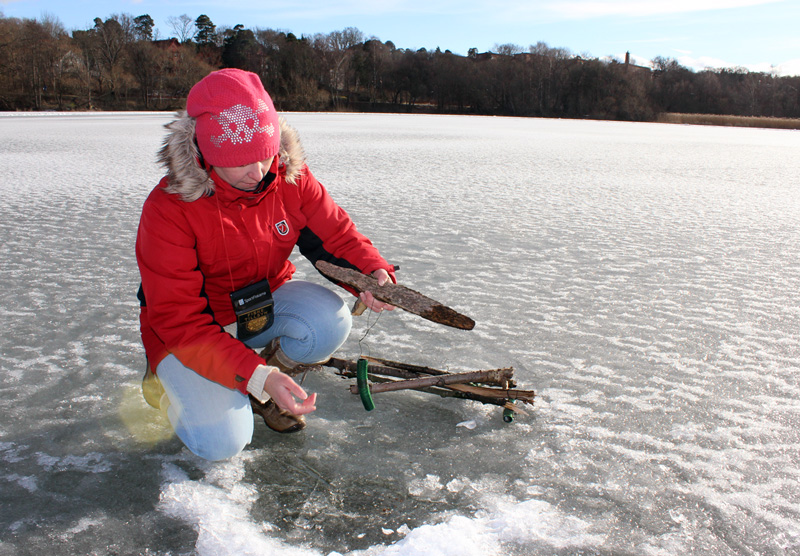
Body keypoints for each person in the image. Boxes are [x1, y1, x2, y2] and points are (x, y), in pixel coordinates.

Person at [135, 68, 395, 461]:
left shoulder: (287, 175)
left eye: (264, 155)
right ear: (205, 152)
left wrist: (371, 271)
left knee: (330, 320)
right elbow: (180, 321)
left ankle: (260, 387)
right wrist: (257, 375)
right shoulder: (169, 209)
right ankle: (170, 390)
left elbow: (335, 234)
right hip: (190, 333)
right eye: (239, 162)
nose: (257, 173)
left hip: (258, 307)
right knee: (222, 443)